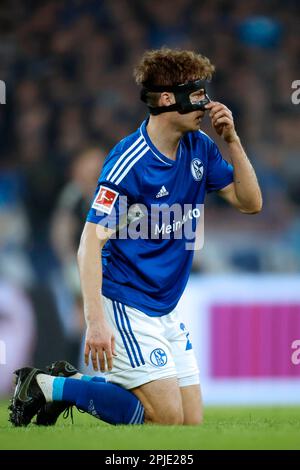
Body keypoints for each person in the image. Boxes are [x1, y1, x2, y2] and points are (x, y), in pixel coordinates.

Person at [9, 48, 262, 427]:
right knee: (164, 419)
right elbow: (89, 242)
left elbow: (251, 202)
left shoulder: (201, 149)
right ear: (166, 99)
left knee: (189, 424)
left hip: (166, 305)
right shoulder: (128, 162)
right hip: (127, 299)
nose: (206, 104)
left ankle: (63, 385)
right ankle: (48, 386)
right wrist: (96, 321)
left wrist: (233, 141)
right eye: (196, 95)